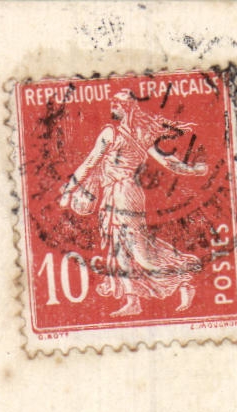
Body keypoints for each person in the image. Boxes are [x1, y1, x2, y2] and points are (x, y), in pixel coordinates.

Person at [59, 90, 209, 316]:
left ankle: (184, 278)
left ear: (126, 107)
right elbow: (170, 164)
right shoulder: (134, 133)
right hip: (113, 194)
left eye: (116, 103)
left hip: (125, 194)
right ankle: (132, 301)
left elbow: (90, 163)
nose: (112, 106)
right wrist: (194, 170)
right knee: (119, 249)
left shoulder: (119, 134)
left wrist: (69, 190)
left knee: (142, 256)